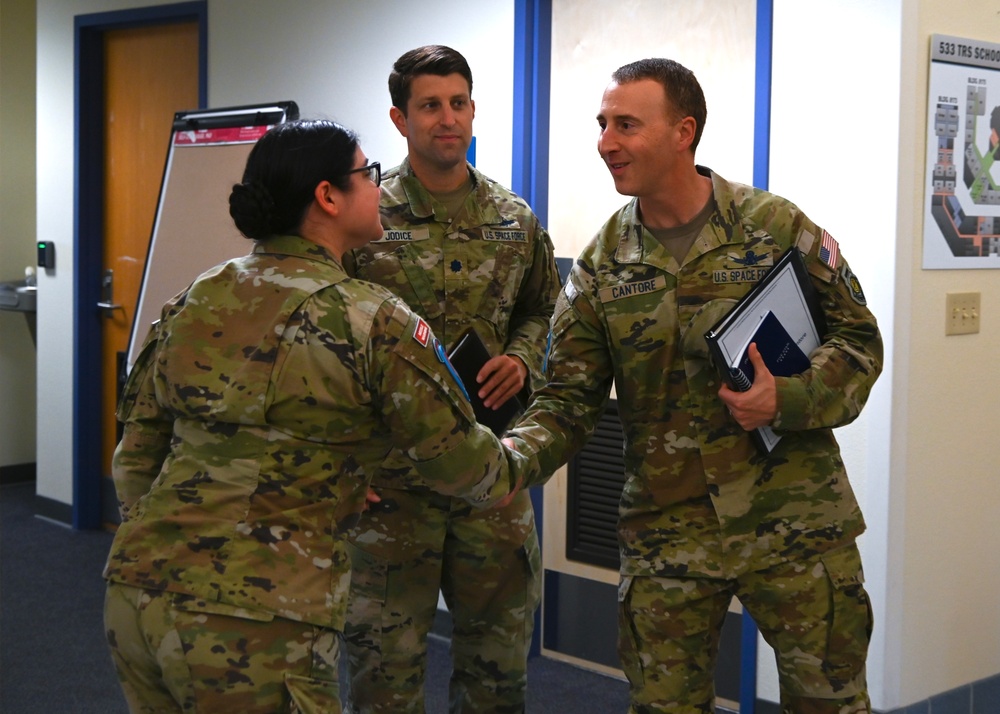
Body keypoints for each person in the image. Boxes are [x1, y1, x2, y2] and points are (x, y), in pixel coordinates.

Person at [102, 119, 526, 714]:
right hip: (258, 621)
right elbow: (464, 468)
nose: (380, 188)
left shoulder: (195, 296)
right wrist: (532, 446)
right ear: (328, 197)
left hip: (138, 595)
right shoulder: (371, 319)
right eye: (367, 175)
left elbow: (136, 457)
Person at [504, 58, 883, 713]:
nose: (605, 142)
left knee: (831, 703)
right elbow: (567, 400)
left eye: (626, 124)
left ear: (684, 131)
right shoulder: (599, 265)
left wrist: (787, 399)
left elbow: (858, 341)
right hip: (666, 536)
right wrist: (503, 462)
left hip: (794, 523)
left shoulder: (775, 227)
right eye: (601, 125)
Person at [342, 45, 560, 713]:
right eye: (429, 105)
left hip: (489, 475)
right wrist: (349, 465)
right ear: (400, 118)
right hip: (392, 482)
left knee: (496, 671)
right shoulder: (364, 219)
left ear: (472, 111)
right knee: (385, 671)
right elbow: (327, 343)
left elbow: (541, 308)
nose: (447, 118)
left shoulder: (514, 219)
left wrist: (522, 357)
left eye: (457, 103)